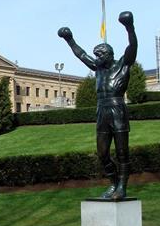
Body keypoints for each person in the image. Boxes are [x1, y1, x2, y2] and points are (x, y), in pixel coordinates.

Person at [58, 11, 137, 199]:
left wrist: (129, 27)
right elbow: (81, 55)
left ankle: (122, 188)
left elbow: (132, 46)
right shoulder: (98, 69)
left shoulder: (123, 65)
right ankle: (113, 184)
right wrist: (69, 39)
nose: (96, 58)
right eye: (96, 55)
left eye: (99, 55)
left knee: (122, 153)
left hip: (117, 110)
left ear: (109, 55)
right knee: (102, 153)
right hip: (102, 111)